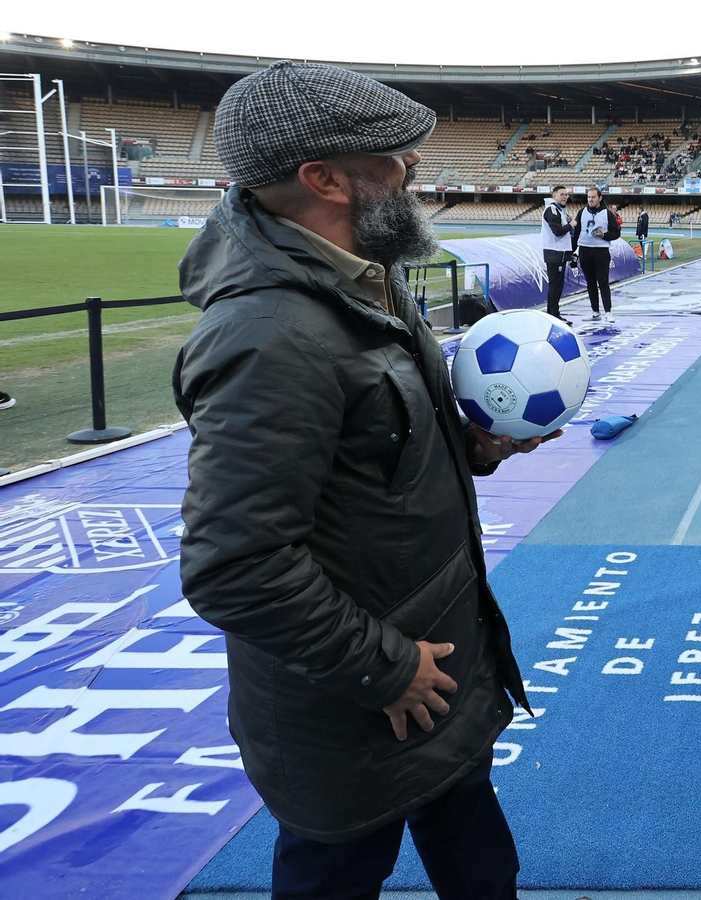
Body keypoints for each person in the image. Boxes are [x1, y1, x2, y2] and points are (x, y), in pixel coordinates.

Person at [174, 60, 551, 900]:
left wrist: (478, 446)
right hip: (359, 703)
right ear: (324, 178)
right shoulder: (266, 337)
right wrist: (385, 668)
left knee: (484, 867)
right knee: (334, 881)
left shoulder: (361, 275)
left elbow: (378, 451)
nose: (412, 170)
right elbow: (233, 566)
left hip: (441, 663)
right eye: (391, 157)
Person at [576, 186, 621, 325]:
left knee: (603, 282)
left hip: (601, 251)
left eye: (593, 197)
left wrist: (604, 235)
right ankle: (595, 311)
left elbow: (616, 233)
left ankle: (608, 312)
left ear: (600, 198)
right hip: (585, 250)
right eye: (589, 197)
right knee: (590, 283)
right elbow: (576, 232)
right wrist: (572, 251)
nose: (590, 200)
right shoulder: (582, 212)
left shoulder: (607, 214)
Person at [538, 186, 575, 322]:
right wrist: (571, 224)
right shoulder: (552, 209)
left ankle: (555, 313)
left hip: (560, 253)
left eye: (566, 195)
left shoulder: (559, 210)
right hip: (554, 253)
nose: (565, 197)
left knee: (558, 285)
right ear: (554, 196)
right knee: (555, 285)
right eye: (562, 194)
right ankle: (552, 314)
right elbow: (558, 231)